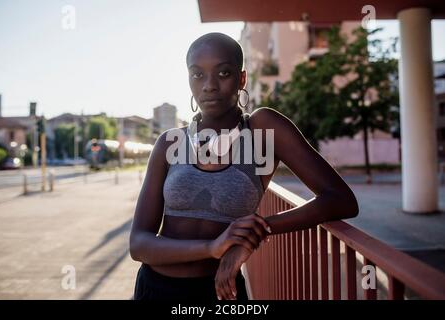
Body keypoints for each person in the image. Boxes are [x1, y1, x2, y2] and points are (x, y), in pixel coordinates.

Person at [129, 32, 359, 301]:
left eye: (223, 73)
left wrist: (253, 234)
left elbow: (341, 200)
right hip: (155, 289)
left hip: (221, 291)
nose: (209, 85)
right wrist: (213, 247)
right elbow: (139, 244)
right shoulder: (169, 143)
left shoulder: (263, 129)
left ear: (241, 79)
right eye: (197, 75)